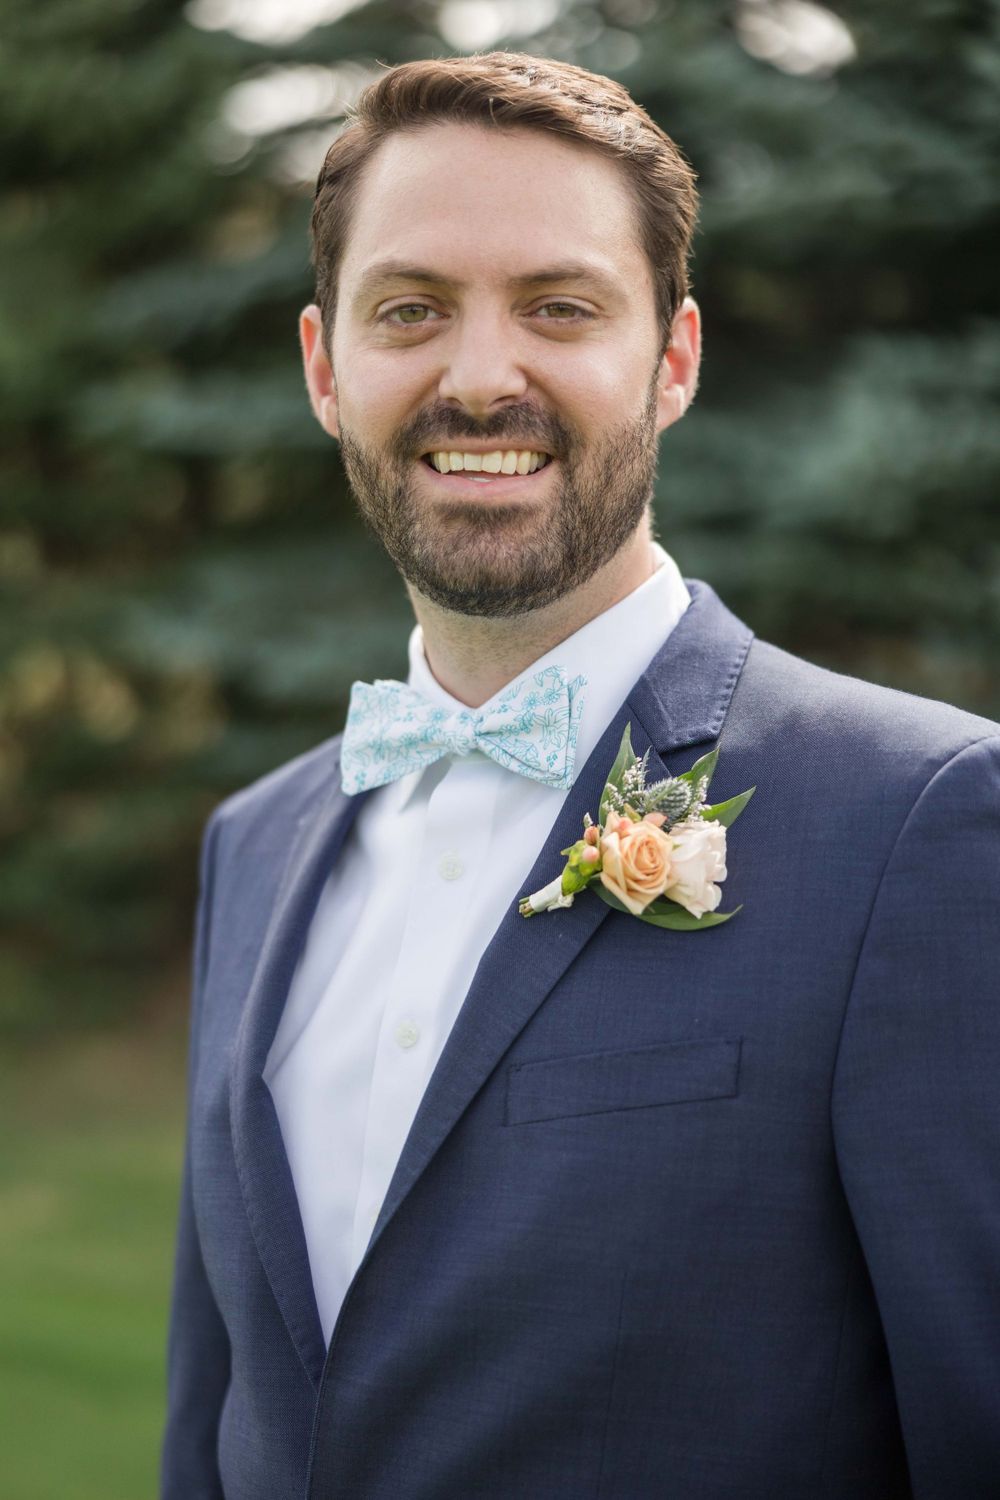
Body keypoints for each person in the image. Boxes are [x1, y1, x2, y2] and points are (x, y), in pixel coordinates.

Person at [160, 51, 1000, 1500]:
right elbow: (218, 1418)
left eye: (560, 307)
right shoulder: (254, 841)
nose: (482, 378)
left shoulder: (920, 820)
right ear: (324, 369)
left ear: (673, 361)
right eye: (411, 310)